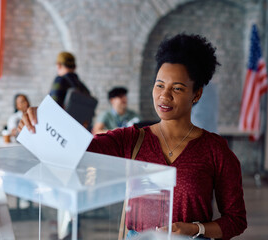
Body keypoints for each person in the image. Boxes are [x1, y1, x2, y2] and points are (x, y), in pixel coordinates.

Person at [18, 33, 247, 240]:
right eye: (159, 85)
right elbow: (77, 149)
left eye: (177, 88)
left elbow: (236, 220)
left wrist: (196, 228)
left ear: (196, 94)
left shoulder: (215, 150)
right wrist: (42, 122)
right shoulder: (131, 139)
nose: (164, 96)